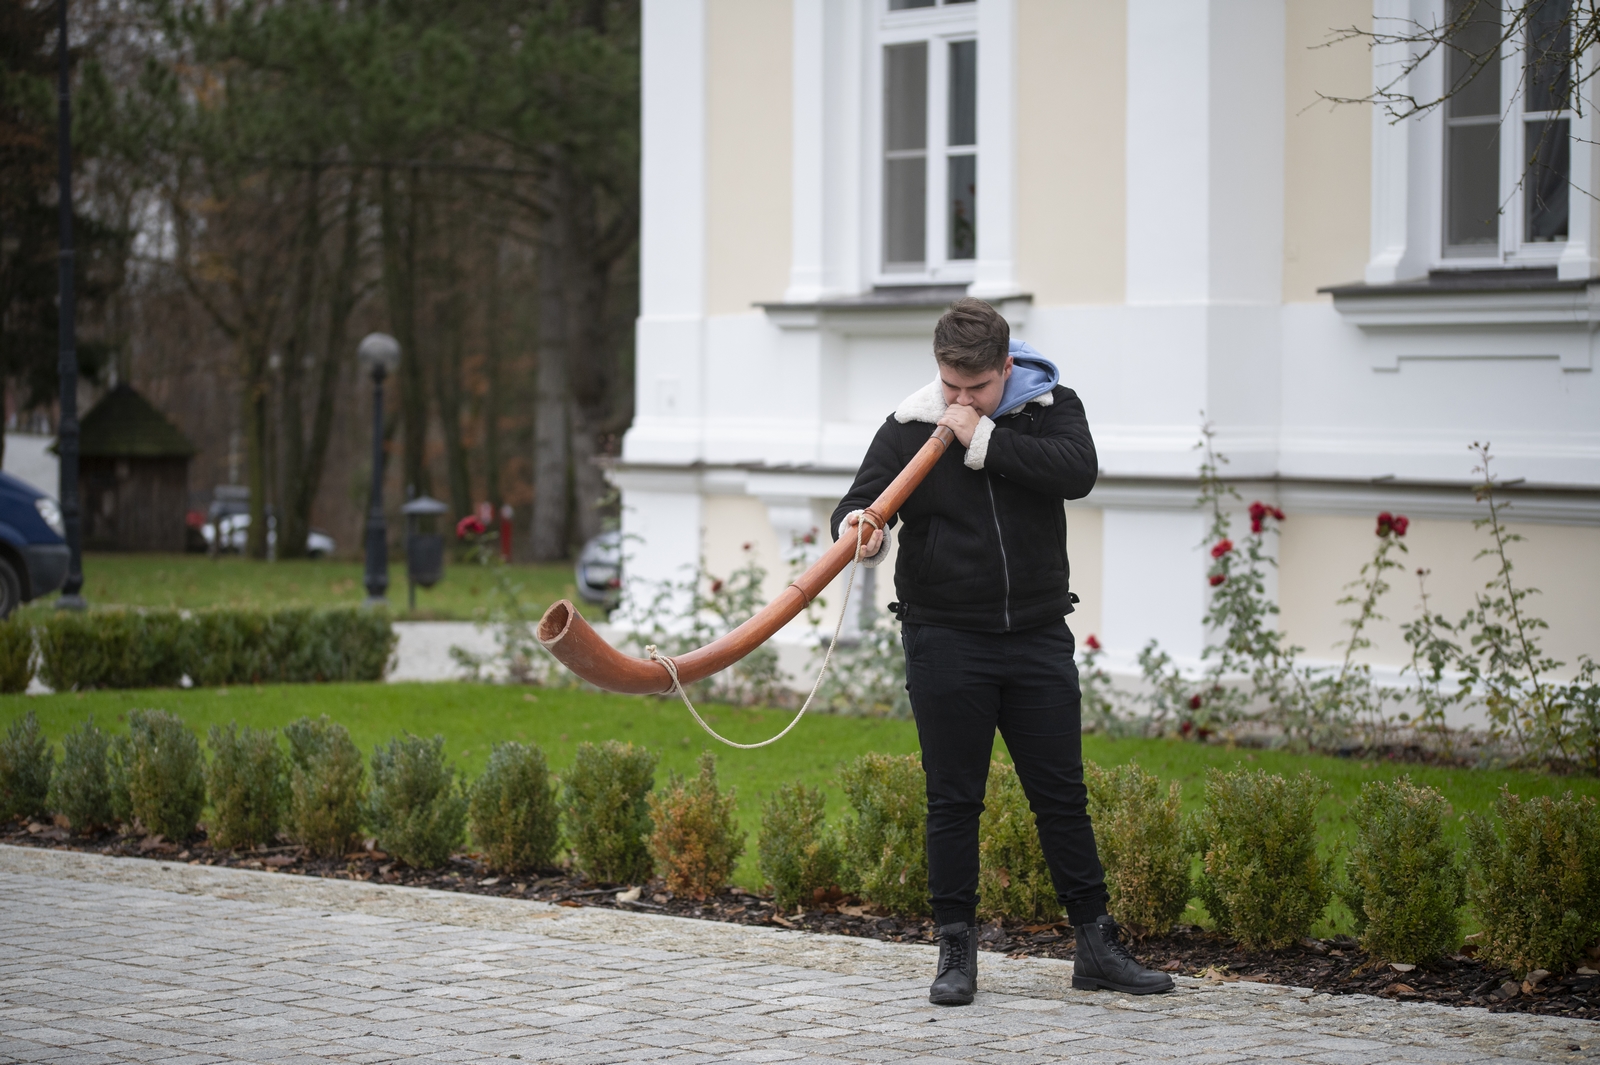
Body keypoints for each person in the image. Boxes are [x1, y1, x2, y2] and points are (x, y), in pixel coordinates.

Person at [830, 297, 1172, 1006]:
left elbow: (1077, 471)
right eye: (950, 387)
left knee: (1062, 796)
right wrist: (862, 528)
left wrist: (984, 436)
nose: (959, 401)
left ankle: (1097, 946)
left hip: (1038, 635)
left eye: (977, 388)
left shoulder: (1049, 409)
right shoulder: (907, 427)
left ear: (1006, 368)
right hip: (945, 638)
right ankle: (956, 951)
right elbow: (856, 505)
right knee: (953, 800)